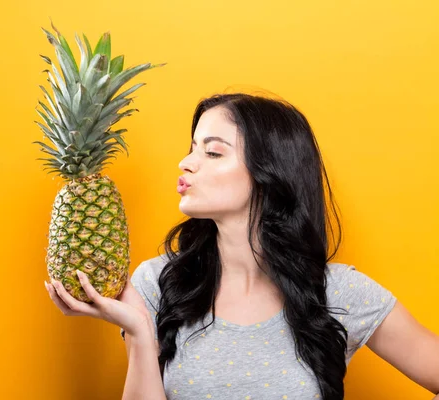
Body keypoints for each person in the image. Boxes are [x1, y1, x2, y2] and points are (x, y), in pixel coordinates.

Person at [44, 93, 439, 399]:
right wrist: (139, 331)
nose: (186, 162)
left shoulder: (338, 291)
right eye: (192, 147)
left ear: (269, 173)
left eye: (212, 151)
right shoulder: (155, 283)